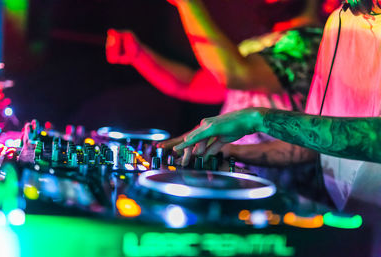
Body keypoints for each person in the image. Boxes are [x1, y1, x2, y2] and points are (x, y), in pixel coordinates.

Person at [174, 1, 381, 209]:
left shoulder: (310, 38)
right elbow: (310, 146)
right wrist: (228, 150)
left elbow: (375, 138)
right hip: (349, 214)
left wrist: (257, 119)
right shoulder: (339, 22)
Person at [106, 0, 328, 148]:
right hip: (240, 175)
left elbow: (235, 74)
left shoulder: (314, 42)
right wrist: (139, 56)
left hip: (280, 191)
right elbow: (192, 85)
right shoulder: (261, 45)